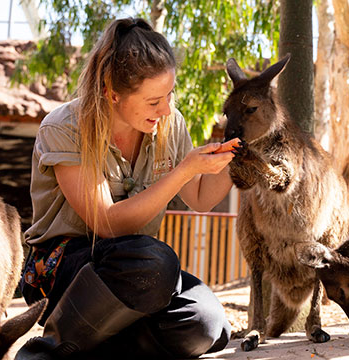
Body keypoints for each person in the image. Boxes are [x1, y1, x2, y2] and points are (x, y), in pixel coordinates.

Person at [16, 17, 237, 360]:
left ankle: (99, 348)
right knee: (154, 263)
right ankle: (47, 352)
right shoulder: (63, 127)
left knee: (207, 325)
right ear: (112, 91)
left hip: (138, 277)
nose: (165, 110)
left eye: (169, 95)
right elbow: (107, 223)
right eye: (153, 102)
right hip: (66, 271)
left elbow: (202, 197)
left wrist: (235, 160)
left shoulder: (170, 123)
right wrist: (182, 171)